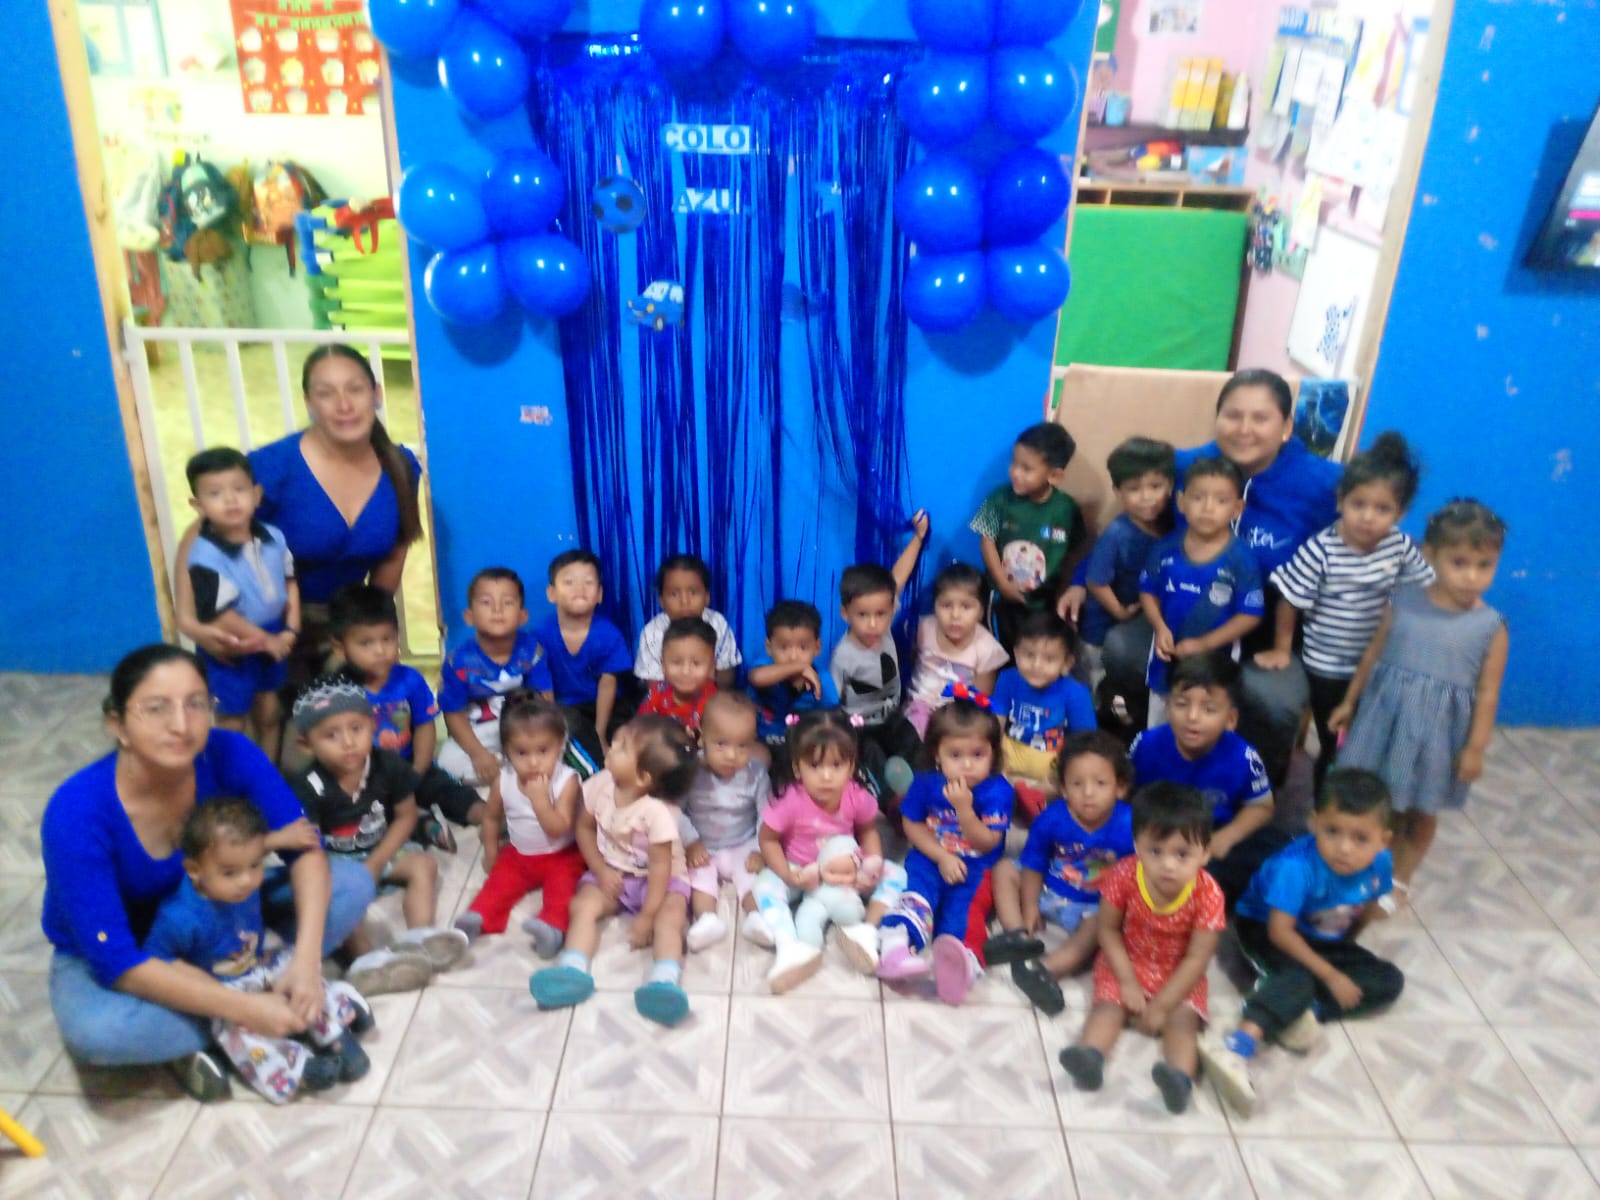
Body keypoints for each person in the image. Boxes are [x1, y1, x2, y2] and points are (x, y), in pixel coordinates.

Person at [41, 645, 373, 1101]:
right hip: (133, 953)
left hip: (224, 914)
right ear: (116, 724)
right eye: (156, 708)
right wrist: (245, 1009)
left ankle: (246, 1008)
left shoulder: (230, 752)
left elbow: (305, 849)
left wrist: (307, 963)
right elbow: (115, 959)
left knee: (352, 884)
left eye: (196, 704)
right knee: (100, 1033)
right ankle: (250, 1015)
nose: (181, 725)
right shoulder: (77, 812)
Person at [1069, 370, 1341, 783]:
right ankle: (1145, 754)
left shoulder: (1323, 484)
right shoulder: (1184, 467)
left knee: (1274, 701)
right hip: (1183, 612)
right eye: (1233, 415)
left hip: (1268, 631)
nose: (1244, 429)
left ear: (1286, 425)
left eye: (1260, 418)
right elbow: (1133, 525)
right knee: (1123, 647)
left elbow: (1362, 541)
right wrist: (1080, 578)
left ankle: (1251, 790)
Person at [176, 345, 423, 693]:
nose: (344, 405)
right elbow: (200, 533)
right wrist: (189, 621)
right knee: (277, 722)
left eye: (355, 389)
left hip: (344, 626)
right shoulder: (273, 467)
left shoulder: (400, 466)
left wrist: (368, 633)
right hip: (267, 626)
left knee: (357, 718)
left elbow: (395, 551)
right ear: (309, 402)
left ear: (376, 394)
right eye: (326, 393)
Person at [1332, 500, 1509, 912]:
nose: (1472, 576)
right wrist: (1349, 701)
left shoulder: (1491, 627)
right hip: (1382, 725)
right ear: (1430, 554)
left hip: (1436, 738)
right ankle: (1355, 869)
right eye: (1459, 563)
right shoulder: (1403, 603)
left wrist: (1475, 748)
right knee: (1373, 804)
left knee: (1420, 812)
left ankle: (1400, 879)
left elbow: (1488, 692)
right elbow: (1373, 655)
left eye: (1484, 565)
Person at [1200, 768, 1405, 1117]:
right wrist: (1330, 974)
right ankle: (1237, 1047)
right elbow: (1280, 933)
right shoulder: (1294, 868)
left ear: (1383, 841)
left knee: (1388, 979)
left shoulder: (1381, 863)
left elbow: (1365, 908)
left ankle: (1304, 1012)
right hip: (1266, 929)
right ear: (1314, 823)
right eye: (1333, 832)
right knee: (1297, 979)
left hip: (1322, 935)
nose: (1344, 848)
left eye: (1360, 838)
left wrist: (1344, 952)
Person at [143, 798, 372, 1103]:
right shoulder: (179, 917)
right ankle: (297, 1069)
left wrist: (279, 839)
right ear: (194, 870)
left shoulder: (242, 876)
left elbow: (247, 849)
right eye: (230, 873)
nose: (247, 880)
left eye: (255, 866)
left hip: (261, 961)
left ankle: (333, 1031)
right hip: (224, 987)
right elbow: (157, 961)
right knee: (236, 1033)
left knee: (302, 972)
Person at [1256, 433, 1432, 790]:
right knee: (1337, 742)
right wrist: (1282, 648)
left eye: (1382, 509)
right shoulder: (1321, 549)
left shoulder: (1399, 547)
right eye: (1358, 504)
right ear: (1340, 501)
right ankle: (1328, 805)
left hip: (1380, 665)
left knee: (1371, 738)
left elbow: (1425, 589)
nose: (1367, 517)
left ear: (1400, 513)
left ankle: (1364, 800)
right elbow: (1290, 598)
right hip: (1328, 667)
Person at [289, 675, 469, 992]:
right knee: (331, 896)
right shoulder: (309, 785)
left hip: (381, 848)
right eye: (331, 735)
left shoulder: (387, 765)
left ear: (372, 725)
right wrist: (348, 878)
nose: (348, 742)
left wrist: (375, 863)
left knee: (423, 865)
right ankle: (367, 961)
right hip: (337, 862)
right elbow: (311, 846)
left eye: (356, 729)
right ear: (307, 744)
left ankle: (420, 936)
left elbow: (406, 816)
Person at [1056, 782, 1225, 1115]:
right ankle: (1090, 1056)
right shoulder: (1124, 874)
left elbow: (1197, 958)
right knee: (1107, 1008)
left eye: (1182, 854)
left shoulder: (1209, 894)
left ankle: (1179, 1078)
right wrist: (1127, 981)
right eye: (1156, 851)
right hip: (1127, 960)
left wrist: (1161, 1005)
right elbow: (1107, 929)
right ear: (1137, 845)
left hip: (1179, 973)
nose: (1168, 865)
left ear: (1205, 852)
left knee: (1183, 1022)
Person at [527, 715, 700, 1026]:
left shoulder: (657, 812)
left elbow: (660, 867)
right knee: (582, 906)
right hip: (613, 870)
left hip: (661, 880)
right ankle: (572, 968)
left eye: (622, 747)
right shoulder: (601, 784)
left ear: (643, 777)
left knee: (670, 921)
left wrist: (648, 915)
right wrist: (600, 869)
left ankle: (664, 980)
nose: (612, 747)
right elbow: (584, 827)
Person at [752, 711, 906, 992]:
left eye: (836, 765)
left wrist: (872, 863)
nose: (826, 776)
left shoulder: (855, 795)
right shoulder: (789, 800)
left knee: (897, 874)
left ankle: (867, 930)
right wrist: (787, 874)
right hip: (800, 870)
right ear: (797, 768)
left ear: (851, 765)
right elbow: (768, 839)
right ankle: (789, 946)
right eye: (815, 765)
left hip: (846, 868)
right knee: (763, 885)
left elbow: (868, 830)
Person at [985, 730, 1135, 1015]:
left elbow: (1135, 877)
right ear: (1063, 788)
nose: (1088, 793)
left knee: (1101, 927)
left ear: (1120, 787)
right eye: (1077, 783)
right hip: (1049, 888)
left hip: (1092, 905)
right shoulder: (1052, 818)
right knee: (1004, 868)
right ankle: (1016, 935)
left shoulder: (1129, 825)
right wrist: (1030, 906)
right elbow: (1034, 862)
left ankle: (1044, 971)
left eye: (1100, 783)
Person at [877, 699, 1015, 1005]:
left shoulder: (998, 790)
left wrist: (964, 809)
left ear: (993, 754)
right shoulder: (927, 782)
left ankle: (961, 964)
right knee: (918, 895)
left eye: (978, 754)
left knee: (964, 913)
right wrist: (941, 856)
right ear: (936, 755)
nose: (967, 765)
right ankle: (895, 945)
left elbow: (988, 842)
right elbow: (912, 824)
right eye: (955, 755)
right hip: (931, 856)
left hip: (977, 867)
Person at [328, 584, 480, 851]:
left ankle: (487, 814)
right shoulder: (336, 690)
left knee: (444, 786)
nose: (380, 650)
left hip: (409, 763)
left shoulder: (410, 679)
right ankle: (424, 826)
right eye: (366, 643)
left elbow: (424, 726)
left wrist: (416, 771)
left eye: (387, 639)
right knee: (361, 811)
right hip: (363, 774)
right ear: (340, 648)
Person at [1130, 653, 1285, 905]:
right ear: (1168, 706)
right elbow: (1126, 796)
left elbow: (1262, 807)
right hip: (1156, 834)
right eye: (1181, 704)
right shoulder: (1145, 745)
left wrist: (1226, 837)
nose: (1192, 717)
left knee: (1277, 857)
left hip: (1211, 837)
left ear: (1231, 719)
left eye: (1209, 709)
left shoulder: (1244, 756)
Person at [182, 447, 300, 762]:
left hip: (274, 633)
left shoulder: (274, 537)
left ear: (256, 494)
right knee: (232, 719)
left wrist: (291, 628)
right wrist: (266, 641)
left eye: (239, 489)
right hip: (232, 643)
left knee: (270, 711)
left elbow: (290, 581)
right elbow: (220, 615)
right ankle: (232, 778)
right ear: (198, 506)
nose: (231, 500)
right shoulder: (204, 556)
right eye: (215, 493)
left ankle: (268, 772)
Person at [452, 696, 586, 956]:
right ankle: (477, 919)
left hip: (562, 855)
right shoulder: (504, 780)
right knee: (498, 883)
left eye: (543, 751)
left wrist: (540, 801)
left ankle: (552, 928)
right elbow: (491, 818)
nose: (533, 762)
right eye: (522, 753)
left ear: (559, 746)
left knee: (563, 890)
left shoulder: (566, 781)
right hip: (520, 854)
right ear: (506, 751)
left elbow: (559, 827)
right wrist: (491, 851)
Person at [1137, 456, 1265, 728]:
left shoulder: (1242, 559)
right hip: (1165, 659)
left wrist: (1204, 644)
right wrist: (1159, 627)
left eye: (1221, 501)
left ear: (1237, 509)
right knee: (1159, 721)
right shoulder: (1165, 547)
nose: (1208, 508)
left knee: (1204, 723)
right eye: (1198, 498)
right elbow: (1148, 591)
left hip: (1215, 663)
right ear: (1181, 502)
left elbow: (1250, 615)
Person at [829, 514, 929, 801]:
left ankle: (919, 789)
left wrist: (918, 538)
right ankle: (890, 801)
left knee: (911, 736)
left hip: (890, 716)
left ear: (889, 610)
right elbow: (833, 703)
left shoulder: (883, 622)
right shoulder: (844, 655)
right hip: (859, 725)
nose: (873, 624)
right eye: (862, 615)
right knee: (870, 754)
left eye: (881, 614)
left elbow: (898, 578)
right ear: (845, 614)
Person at [972, 422, 1088, 652]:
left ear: (1054, 476)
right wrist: (1003, 583)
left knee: (1035, 649)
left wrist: (1065, 590)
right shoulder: (1000, 498)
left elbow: (1073, 553)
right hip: (1001, 598)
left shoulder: (1066, 509)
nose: (1015, 473)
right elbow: (987, 540)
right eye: (1014, 463)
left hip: (1044, 602)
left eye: (1026, 469)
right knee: (1000, 650)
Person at [436, 568, 554, 787]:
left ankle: (510, 773)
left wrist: (537, 741)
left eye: (507, 602)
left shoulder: (532, 651)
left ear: (523, 616)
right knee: (446, 761)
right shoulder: (458, 662)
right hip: (479, 732)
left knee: (560, 742)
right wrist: (477, 753)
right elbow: (453, 714)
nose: (497, 610)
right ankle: (506, 774)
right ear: (469, 617)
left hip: (523, 726)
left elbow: (545, 701)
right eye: (486, 602)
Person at [678, 691, 775, 952]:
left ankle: (756, 917)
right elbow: (675, 811)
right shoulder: (691, 772)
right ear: (702, 736)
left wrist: (760, 848)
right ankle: (707, 919)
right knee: (699, 879)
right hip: (703, 846)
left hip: (742, 842)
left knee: (752, 877)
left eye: (742, 746)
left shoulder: (756, 774)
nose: (732, 755)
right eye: (721, 744)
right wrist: (691, 841)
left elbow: (766, 815)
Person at [1079, 437, 1175, 696]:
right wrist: (1119, 612)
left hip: (1139, 622)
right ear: (1118, 491)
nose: (1147, 497)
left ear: (1170, 484)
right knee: (1096, 688)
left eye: (1155, 486)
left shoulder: (1168, 525)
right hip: (1101, 630)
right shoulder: (1117, 534)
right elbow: (1096, 581)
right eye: (1134, 489)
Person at [988, 611, 1097, 816]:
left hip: (1051, 758)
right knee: (982, 755)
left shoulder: (1075, 693)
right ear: (1016, 653)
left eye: (1049, 659)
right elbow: (996, 724)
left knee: (1078, 771)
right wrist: (995, 760)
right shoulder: (1007, 678)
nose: (1037, 666)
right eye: (1029, 655)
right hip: (1013, 750)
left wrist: (1056, 777)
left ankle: (1031, 796)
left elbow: (1085, 741)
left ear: (1066, 664)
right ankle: (1016, 792)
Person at [535, 549, 633, 763]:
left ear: (599, 594)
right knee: (563, 733)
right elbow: (542, 684)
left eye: (588, 582)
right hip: (565, 706)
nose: (579, 589)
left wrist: (600, 732)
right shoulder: (541, 634)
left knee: (627, 737)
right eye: (569, 582)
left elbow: (608, 684)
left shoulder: (608, 634)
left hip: (606, 706)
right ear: (551, 593)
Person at [903, 563, 1010, 737]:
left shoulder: (986, 648)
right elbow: (910, 661)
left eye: (966, 607)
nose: (955, 615)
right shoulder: (923, 629)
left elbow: (981, 699)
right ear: (935, 605)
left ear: (981, 612)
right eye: (946, 606)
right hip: (917, 708)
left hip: (957, 719)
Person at [634, 554, 742, 688]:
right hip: (666, 696)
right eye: (674, 594)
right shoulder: (651, 632)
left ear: (707, 597)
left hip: (711, 695)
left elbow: (725, 672)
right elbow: (653, 682)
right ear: (661, 600)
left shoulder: (718, 623)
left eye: (693, 592)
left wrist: (716, 698)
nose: (684, 601)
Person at [746, 600, 840, 755]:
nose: (793, 656)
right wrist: (800, 667)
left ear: (817, 647)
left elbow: (834, 720)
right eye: (784, 647)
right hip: (761, 744)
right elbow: (756, 678)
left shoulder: (822, 680)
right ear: (769, 647)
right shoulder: (765, 667)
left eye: (803, 647)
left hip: (803, 749)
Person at [637, 617, 719, 734]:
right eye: (677, 662)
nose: (686, 671)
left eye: (696, 663)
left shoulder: (715, 703)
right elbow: (640, 730)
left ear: (712, 667)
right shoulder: (656, 693)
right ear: (663, 665)